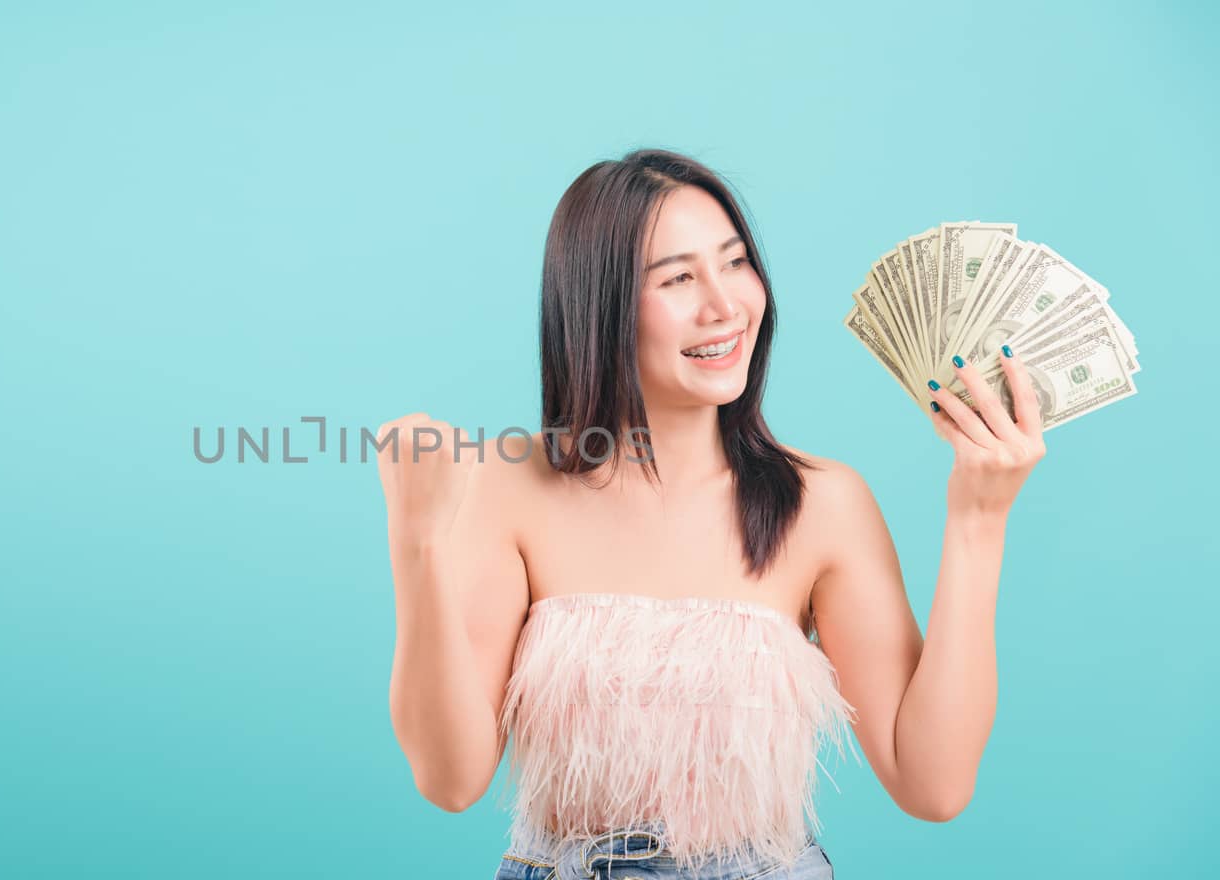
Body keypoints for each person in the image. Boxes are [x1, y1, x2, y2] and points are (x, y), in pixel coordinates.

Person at [377, 149, 1046, 879]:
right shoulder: (513, 487)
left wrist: (979, 520)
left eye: (735, 263)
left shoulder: (823, 502)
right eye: (678, 278)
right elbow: (450, 780)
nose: (726, 305)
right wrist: (417, 543)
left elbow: (934, 784)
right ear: (598, 305)